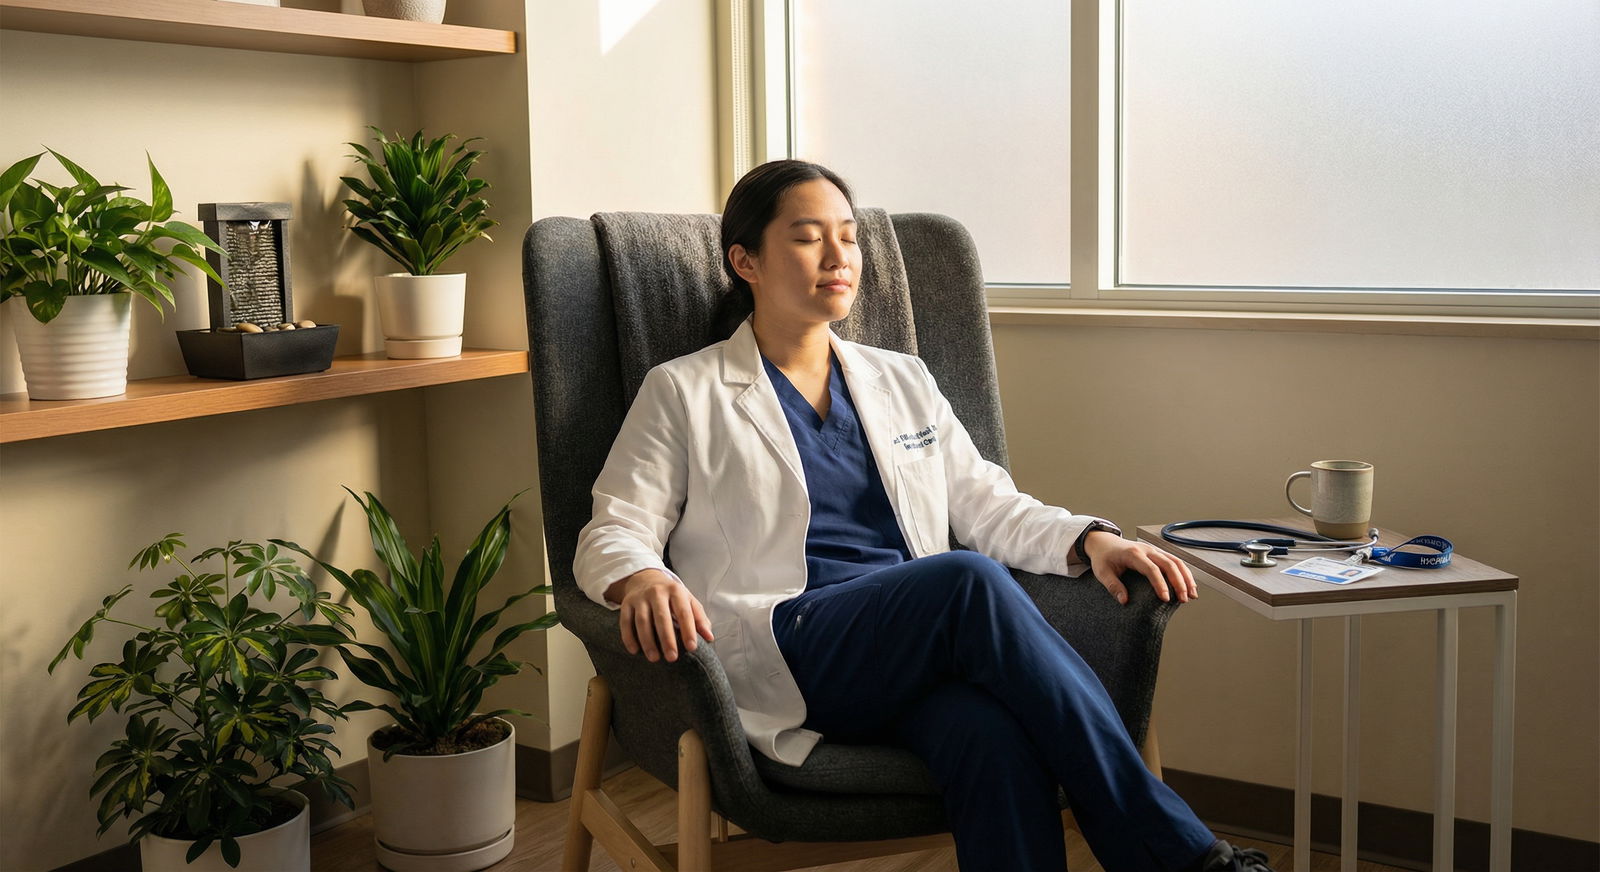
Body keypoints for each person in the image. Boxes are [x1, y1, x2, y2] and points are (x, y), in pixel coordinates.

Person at [574, 159, 1275, 872]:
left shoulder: (900, 379)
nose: (839, 257)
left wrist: (1090, 538)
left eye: (848, 237)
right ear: (745, 260)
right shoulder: (685, 390)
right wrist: (640, 579)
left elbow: (987, 504)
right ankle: (1180, 856)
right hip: (789, 644)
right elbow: (615, 525)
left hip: (907, 650)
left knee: (991, 737)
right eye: (809, 237)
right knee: (964, 580)